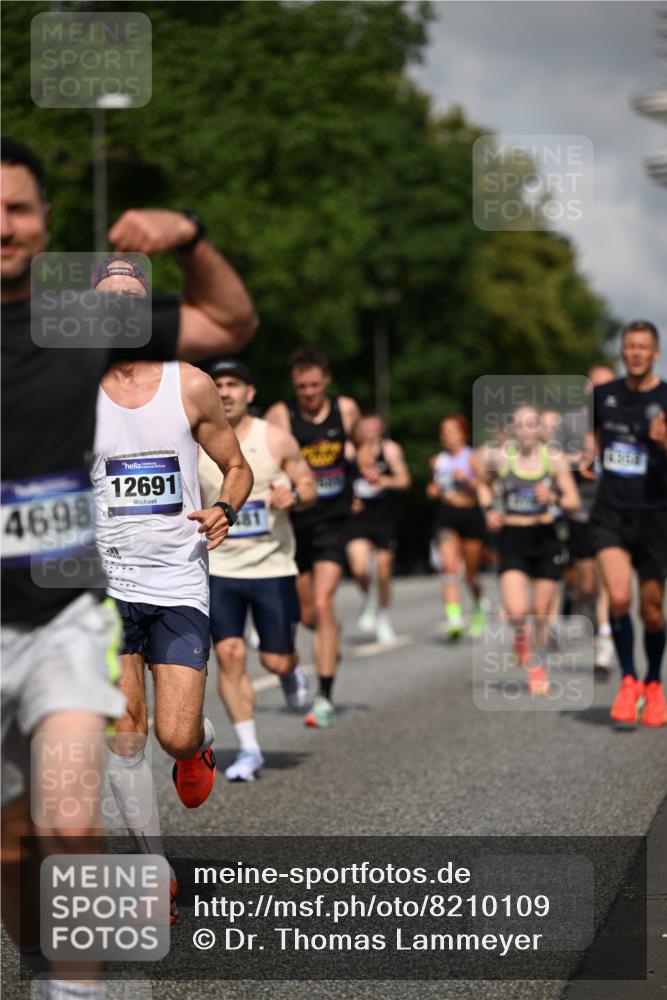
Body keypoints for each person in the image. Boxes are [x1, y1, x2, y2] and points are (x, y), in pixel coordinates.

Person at [1, 139, 257, 989]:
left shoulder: (167, 375)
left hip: (130, 590)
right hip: (69, 592)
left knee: (137, 762)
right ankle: (90, 926)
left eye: (20, 208)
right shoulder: (67, 369)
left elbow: (231, 347)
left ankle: (193, 764)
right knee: (39, 820)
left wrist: (189, 234)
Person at [199, 358, 317, 780]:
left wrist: (295, 498)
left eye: (234, 384)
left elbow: (308, 486)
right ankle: (249, 750)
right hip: (219, 567)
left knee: (275, 660)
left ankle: (290, 673)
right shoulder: (193, 441)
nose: (225, 391)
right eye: (218, 384)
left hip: (272, 566)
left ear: (250, 393)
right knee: (229, 655)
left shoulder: (276, 439)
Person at [265, 348, 373, 728]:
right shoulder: (280, 415)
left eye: (314, 385)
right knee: (307, 614)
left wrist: (365, 470)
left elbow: (362, 443)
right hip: (294, 524)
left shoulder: (346, 410)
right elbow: (263, 456)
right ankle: (328, 637)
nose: (308, 393)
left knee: (324, 604)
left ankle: (324, 696)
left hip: (333, 521)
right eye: (301, 387)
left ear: (325, 380)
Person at [589, 321, 667, 727]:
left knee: (651, 611)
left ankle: (654, 682)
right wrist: (585, 461)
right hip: (610, 513)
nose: (635, 353)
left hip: (655, 515)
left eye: (643, 347)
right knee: (618, 598)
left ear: (655, 353)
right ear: (622, 351)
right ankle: (630, 679)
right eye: (629, 346)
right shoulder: (603, 396)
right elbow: (587, 441)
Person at [476, 405, 580, 695]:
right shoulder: (499, 457)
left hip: (545, 537)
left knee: (540, 613)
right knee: (518, 610)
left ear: (539, 429)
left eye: (531, 424)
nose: (525, 430)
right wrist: (488, 510)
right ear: (512, 429)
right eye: (520, 425)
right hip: (512, 537)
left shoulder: (554, 459)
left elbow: (573, 501)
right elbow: (483, 486)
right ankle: (534, 665)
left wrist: (555, 496)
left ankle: (531, 649)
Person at [566, 365, 617, 672]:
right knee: (587, 584)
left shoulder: (625, 420)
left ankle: (605, 640)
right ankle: (589, 615)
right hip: (580, 511)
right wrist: (577, 459)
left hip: (613, 511)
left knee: (608, 579)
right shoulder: (571, 424)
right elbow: (551, 460)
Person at [345, 412, 411, 644]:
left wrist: (382, 481)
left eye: (374, 427)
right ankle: (369, 600)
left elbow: (404, 480)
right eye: (365, 427)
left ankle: (383, 617)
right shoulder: (348, 450)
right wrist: (349, 499)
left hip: (382, 515)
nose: (370, 431)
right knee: (359, 567)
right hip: (357, 517)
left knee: (383, 572)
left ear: (381, 428)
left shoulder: (390, 450)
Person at [427, 415, 487, 640]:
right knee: (450, 568)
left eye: (452, 431)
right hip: (446, 516)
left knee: (470, 574)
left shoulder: (473, 457)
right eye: (444, 432)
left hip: (470, 515)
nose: (448, 436)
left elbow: (484, 487)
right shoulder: (437, 460)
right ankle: (454, 619)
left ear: (463, 433)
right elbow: (434, 487)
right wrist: (432, 490)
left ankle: (479, 604)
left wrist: (467, 480)